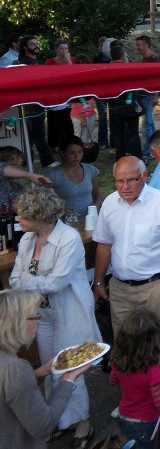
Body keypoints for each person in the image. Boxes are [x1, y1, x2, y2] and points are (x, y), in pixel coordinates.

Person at [10, 189, 100, 446]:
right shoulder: (28, 239)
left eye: (23, 215)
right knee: (51, 367)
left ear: (40, 215)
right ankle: (59, 419)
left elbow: (56, 283)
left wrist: (29, 281)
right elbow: (16, 279)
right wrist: (34, 281)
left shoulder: (68, 238)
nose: (18, 219)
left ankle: (82, 422)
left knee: (69, 366)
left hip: (69, 311)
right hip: (41, 313)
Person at [93, 156, 160, 353]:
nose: (124, 186)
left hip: (156, 287)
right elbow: (104, 244)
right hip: (120, 290)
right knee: (126, 347)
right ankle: (137, 384)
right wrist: (99, 282)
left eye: (131, 180)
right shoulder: (110, 204)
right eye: (119, 181)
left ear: (144, 177)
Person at [0, 290, 91, 449]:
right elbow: (44, 425)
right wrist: (68, 381)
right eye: (34, 316)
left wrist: (36, 373)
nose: (38, 319)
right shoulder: (15, 369)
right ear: (17, 323)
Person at [109, 311, 160, 448]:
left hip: (123, 417)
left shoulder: (118, 362)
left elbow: (112, 380)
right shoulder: (153, 372)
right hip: (145, 424)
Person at [45, 135, 100, 219]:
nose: (76, 156)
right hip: (66, 223)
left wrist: (95, 208)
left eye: (79, 152)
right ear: (63, 153)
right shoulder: (53, 175)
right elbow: (46, 202)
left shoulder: (89, 170)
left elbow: (97, 193)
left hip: (90, 220)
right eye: (72, 153)